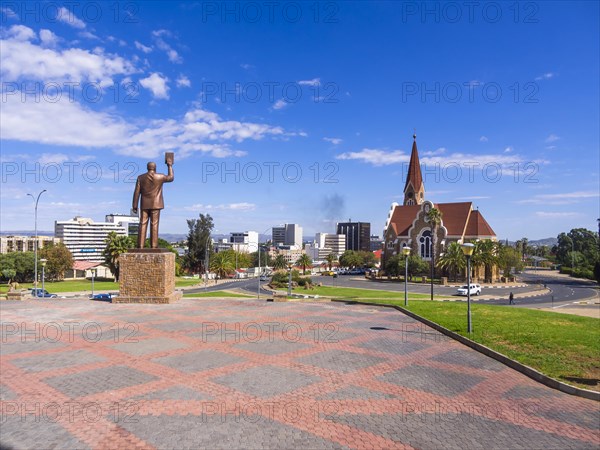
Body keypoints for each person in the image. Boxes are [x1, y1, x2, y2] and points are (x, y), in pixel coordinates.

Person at [132, 157, 174, 248]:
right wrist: (169, 165)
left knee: (142, 223)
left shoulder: (140, 177)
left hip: (144, 204)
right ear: (155, 168)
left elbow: (136, 192)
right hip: (156, 204)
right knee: (154, 224)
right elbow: (171, 178)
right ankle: (154, 246)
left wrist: (134, 205)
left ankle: (140, 245)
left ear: (147, 168)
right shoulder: (160, 176)